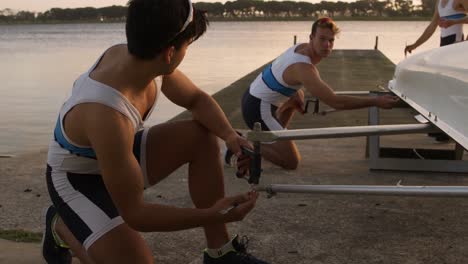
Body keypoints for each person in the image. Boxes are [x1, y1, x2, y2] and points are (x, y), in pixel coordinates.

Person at [42, 0, 269, 263]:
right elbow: (136, 214)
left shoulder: (145, 58)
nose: (188, 52)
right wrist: (216, 213)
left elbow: (196, 99)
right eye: (188, 46)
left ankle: (220, 253)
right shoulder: (106, 113)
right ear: (170, 53)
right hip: (77, 180)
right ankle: (62, 226)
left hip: (116, 154)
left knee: (202, 136)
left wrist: (230, 136)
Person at [239, 17, 399, 170]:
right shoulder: (303, 67)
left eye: (331, 41)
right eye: (322, 39)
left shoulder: (300, 48)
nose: (327, 45)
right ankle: (244, 143)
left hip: (253, 93)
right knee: (291, 162)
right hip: (258, 108)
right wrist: (375, 101)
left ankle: (275, 139)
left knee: (298, 95)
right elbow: (335, 102)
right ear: (311, 37)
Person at [405, 0, 466, 142]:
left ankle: (448, 131)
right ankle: (442, 128)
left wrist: (454, 22)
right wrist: (415, 45)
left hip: (455, 44)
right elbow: (432, 26)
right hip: (444, 43)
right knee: (441, 86)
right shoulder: (439, 3)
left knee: (448, 87)